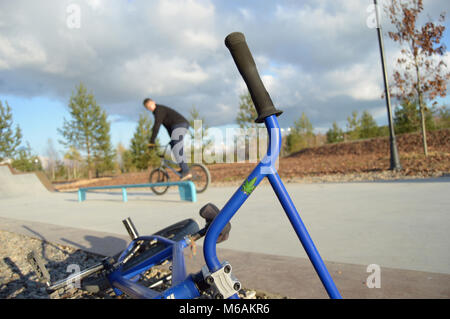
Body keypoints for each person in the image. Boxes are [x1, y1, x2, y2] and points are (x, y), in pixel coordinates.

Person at [143, 98, 192, 181]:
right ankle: (183, 169)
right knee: (173, 145)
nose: (150, 108)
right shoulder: (157, 112)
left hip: (179, 124)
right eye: (148, 107)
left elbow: (156, 126)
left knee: (177, 146)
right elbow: (168, 127)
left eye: (150, 105)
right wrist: (171, 139)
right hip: (178, 126)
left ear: (154, 102)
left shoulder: (159, 110)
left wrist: (152, 141)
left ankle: (186, 170)